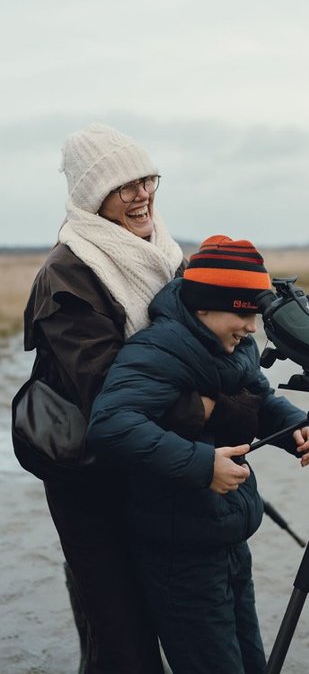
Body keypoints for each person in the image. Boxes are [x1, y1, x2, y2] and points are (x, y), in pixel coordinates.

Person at [87, 235, 309, 674]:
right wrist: (201, 465)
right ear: (204, 306)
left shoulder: (234, 347)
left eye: (256, 314)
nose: (253, 328)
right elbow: (111, 424)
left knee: (251, 661)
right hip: (179, 550)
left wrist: (296, 428)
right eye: (243, 313)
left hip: (226, 534)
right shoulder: (158, 350)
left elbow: (259, 396)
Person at [23, 122, 189, 674]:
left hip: (150, 465)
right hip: (87, 472)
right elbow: (110, 390)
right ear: (95, 197)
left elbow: (203, 350)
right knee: (121, 634)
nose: (142, 194)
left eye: (147, 179)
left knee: (157, 618)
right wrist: (216, 411)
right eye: (125, 186)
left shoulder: (166, 255)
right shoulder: (67, 273)